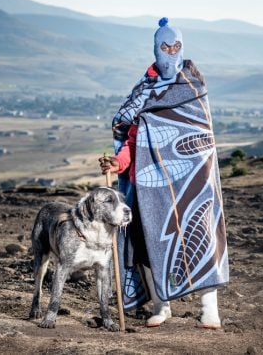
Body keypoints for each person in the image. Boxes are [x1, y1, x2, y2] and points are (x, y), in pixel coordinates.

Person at [99, 17, 228, 328]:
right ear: (155, 49)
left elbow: (201, 133)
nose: (170, 52)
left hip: (192, 181)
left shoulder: (193, 85)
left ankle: (209, 308)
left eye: (176, 46)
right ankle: (161, 305)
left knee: (201, 234)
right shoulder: (143, 90)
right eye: (165, 47)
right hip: (149, 184)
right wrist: (119, 163)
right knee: (148, 239)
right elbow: (131, 135)